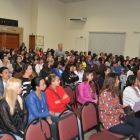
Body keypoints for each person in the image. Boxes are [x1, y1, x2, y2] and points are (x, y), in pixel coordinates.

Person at [99, 73, 140, 139]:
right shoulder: (105, 94)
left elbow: (116, 105)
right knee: (134, 129)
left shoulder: (113, 91)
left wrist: (122, 106)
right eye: (117, 79)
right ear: (112, 81)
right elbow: (107, 111)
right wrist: (120, 110)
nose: (119, 81)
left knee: (138, 122)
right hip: (110, 122)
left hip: (119, 116)